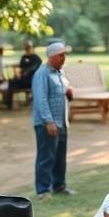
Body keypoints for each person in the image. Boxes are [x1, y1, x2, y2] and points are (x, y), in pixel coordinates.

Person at [31, 41, 75, 199]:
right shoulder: (42, 74)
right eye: (61, 55)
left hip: (61, 121)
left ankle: (59, 185)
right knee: (46, 156)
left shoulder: (60, 72)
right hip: (47, 123)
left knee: (60, 155)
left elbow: (63, 88)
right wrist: (49, 121)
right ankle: (43, 190)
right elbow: (41, 99)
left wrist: (68, 91)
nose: (64, 58)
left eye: (65, 55)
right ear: (52, 56)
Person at [5, 41, 41, 110]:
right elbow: (20, 67)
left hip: (31, 80)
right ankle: (8, 104)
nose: (27, 49)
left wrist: (25, 72)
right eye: (26, 48)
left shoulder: (36, 58)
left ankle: (8, 103)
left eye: (29, 48)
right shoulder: (24, 57)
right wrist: (18, 72)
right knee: (11, 82)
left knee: (13, 82)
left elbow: (34, 68)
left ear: (32, 48)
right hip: (22, 79)